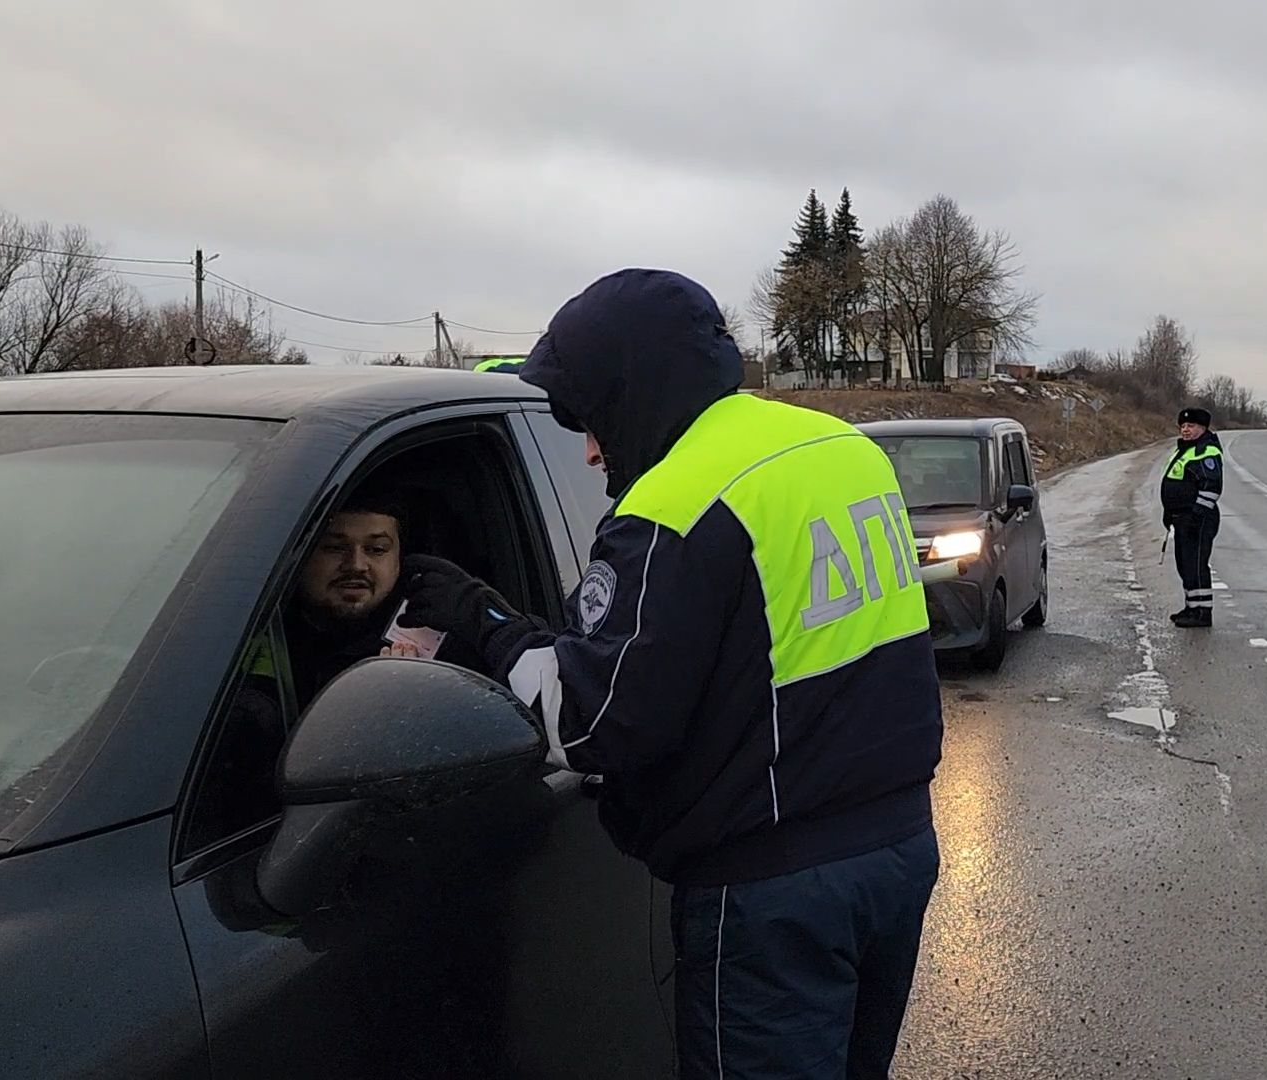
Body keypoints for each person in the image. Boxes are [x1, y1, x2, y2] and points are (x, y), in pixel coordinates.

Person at [402, 269, 943, 1080]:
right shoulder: (840, 450)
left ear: (632, 393)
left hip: (774, 894)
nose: (587, 451)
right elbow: (754, 647)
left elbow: (592, 723)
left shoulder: (676, 505)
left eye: (590, 422)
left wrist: (486, 621)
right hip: (897, 850)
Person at [285, 489, 482, 701]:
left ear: (399, 560)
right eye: (335, 548)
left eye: (376, 549)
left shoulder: (444, 657)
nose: (356, 565)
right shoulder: (258, 621)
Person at [1160, 407, 1223, 628]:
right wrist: (1169, 513)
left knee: (1196, 565)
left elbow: (1211, 487)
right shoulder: (1186, 449)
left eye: (1191, 426)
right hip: (1182, 518)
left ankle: (1203, 613)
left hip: (1198, 518)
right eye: (1183, 426)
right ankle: (1191, 607)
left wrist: (1197, 516)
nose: (1186, 430)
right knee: (1185, 564)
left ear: (1203, 428)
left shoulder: (1206, 451)